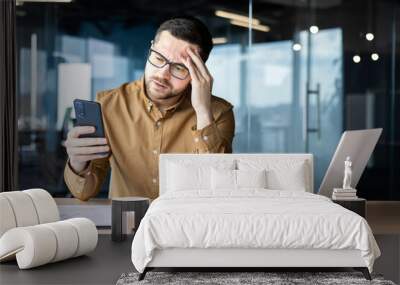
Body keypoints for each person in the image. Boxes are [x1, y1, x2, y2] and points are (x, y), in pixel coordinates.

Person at [63, 16, 235, 201]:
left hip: (188, 224)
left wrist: (202, 111)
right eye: (159, 57)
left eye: (179, 68)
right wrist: (78, 162)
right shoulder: (109, 105)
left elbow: (219, 188)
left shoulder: (217, 113)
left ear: (198, 73)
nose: (162, 74)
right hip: (129, 224)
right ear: (150, 48)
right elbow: (84, 192)